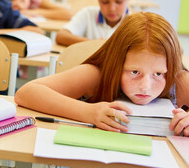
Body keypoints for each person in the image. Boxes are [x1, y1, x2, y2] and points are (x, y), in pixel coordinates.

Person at [15, 12, 189, 136]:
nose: (146, 86)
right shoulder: (97, 75)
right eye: (134, 72)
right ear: (117, 62)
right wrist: (88, 112)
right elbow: (26, 92)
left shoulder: (179, 82)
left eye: (158, 74)